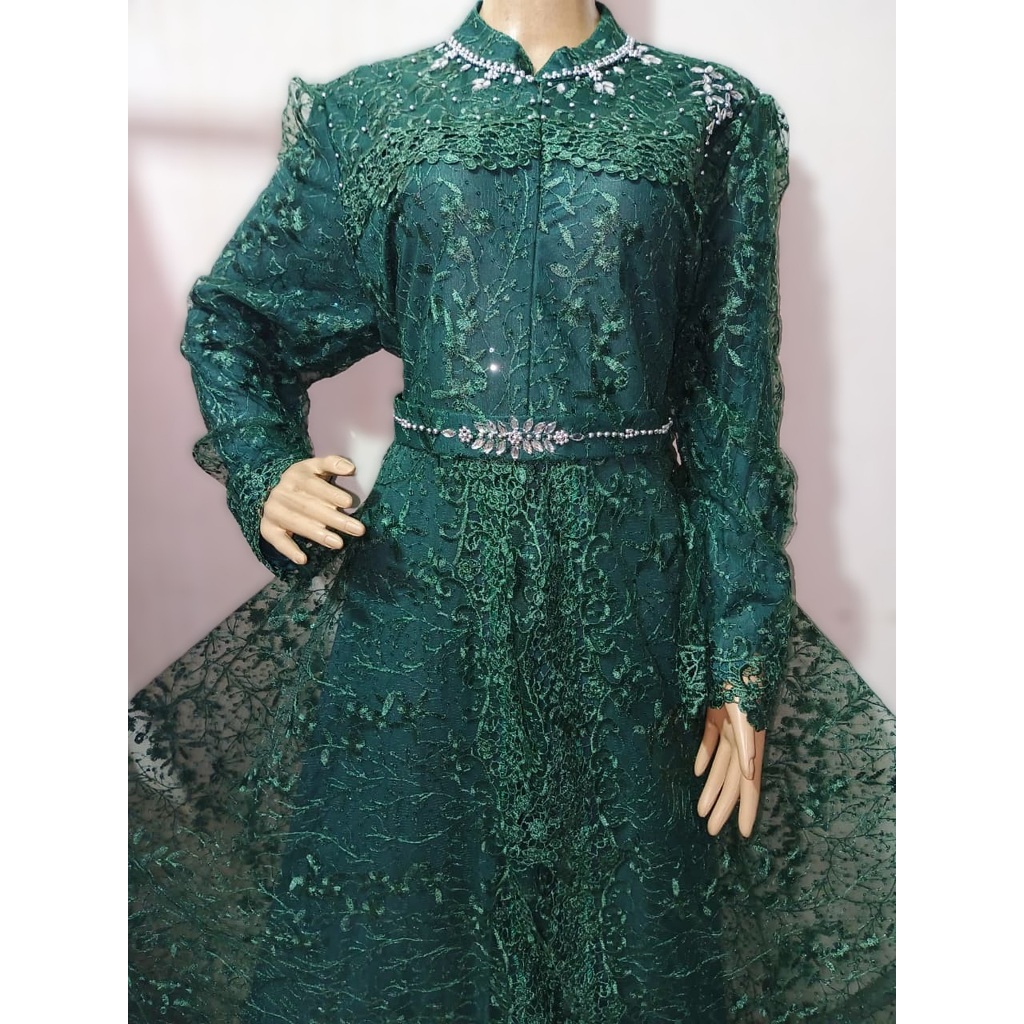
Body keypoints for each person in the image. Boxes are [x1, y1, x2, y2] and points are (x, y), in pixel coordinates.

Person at [128, 3, 895, 1021]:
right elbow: (236, 317)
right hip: (423, 588)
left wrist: (738, 656)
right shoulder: (377, 111)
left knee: (622, 930)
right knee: (403, 929)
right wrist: (265, 467)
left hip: (626, 592)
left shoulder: (705, 115)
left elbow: (732, 414)